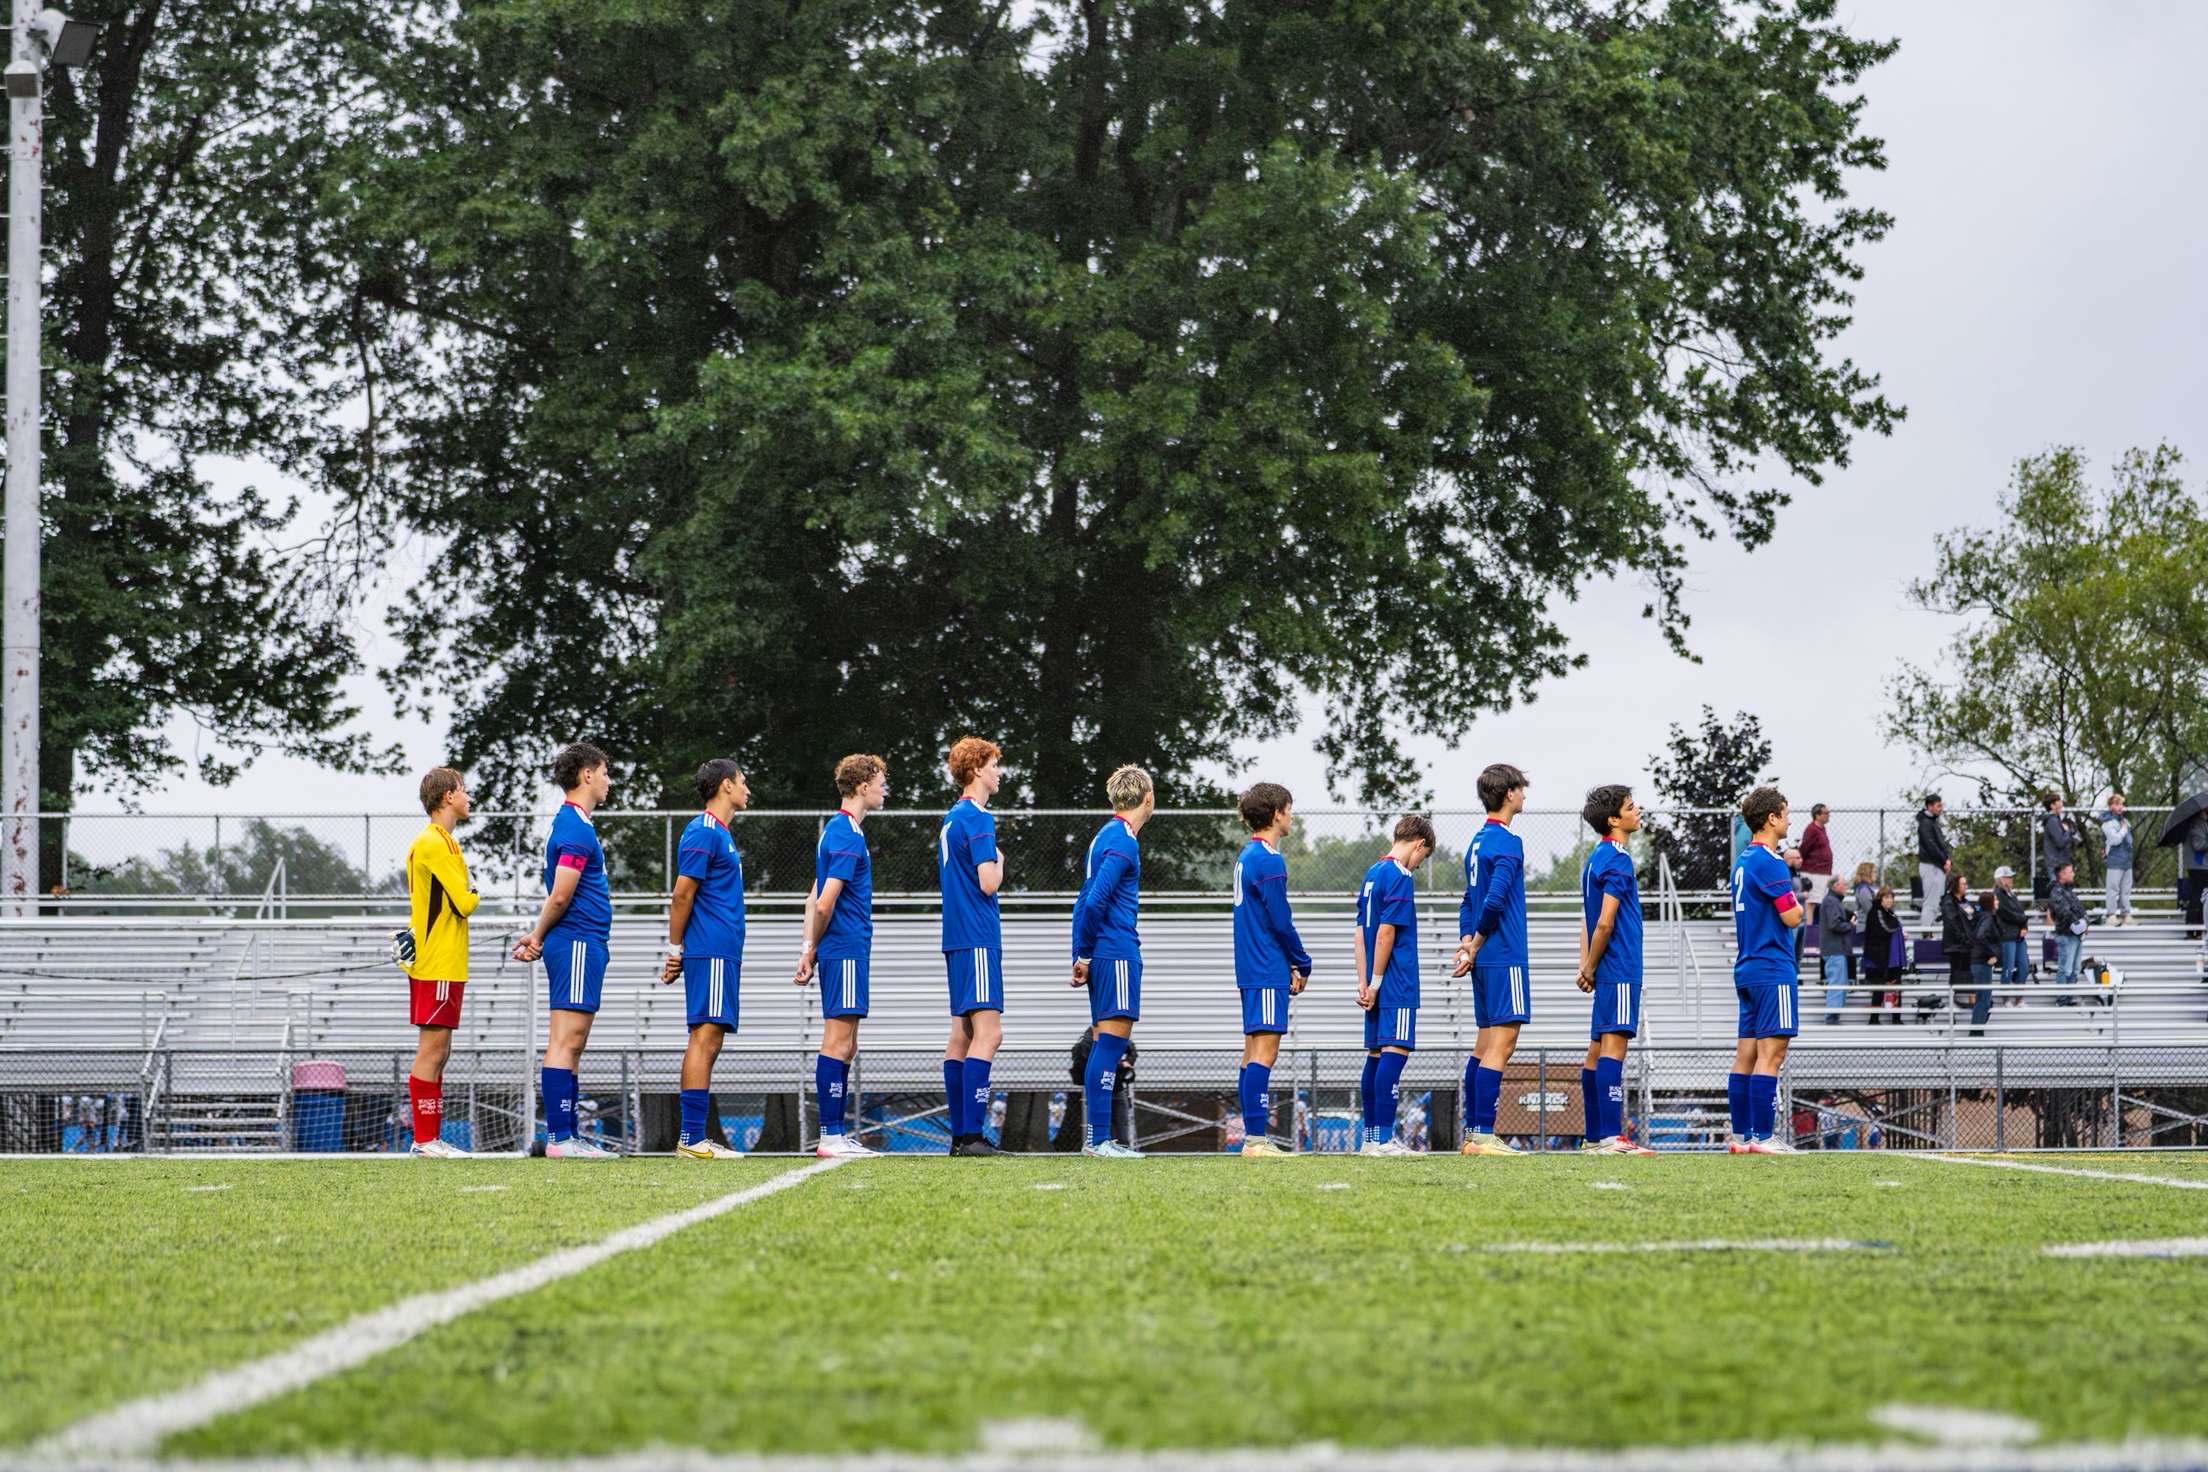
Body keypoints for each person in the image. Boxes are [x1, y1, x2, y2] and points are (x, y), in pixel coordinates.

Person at [513, 742, 617, 1159]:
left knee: (572, 1043)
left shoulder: (576, 824)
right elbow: (560, 896)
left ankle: (566, 1136)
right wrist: (537, 935)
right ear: (587, 774)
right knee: (565, 1041)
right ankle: (560, 1138)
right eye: (605, 772)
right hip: (575, 939)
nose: (609, 781)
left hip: (583, 941)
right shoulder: (574, 827)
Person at [796, 754, 888, 1160]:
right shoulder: (847, 834)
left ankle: (835, 1133)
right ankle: (830, 1135)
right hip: (846, 947)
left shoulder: (836, 829)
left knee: (846, 1043)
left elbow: (812, 895)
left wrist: (808, 948)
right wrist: (813, 947)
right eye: (881, 782)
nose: (885, 789)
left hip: (842, 948)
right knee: (838, 1040)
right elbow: (823, 902)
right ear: (863, 786)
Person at [658, 759, 751, 1159]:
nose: (749, 790)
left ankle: (693, 1139)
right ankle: (692, 1139)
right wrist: (675, 948)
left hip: (722, 951)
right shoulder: (703, 831)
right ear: (726, 786)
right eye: (744, 782)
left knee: (710, 1039)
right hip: (709, 949)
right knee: (705, 1037)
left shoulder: (722, 834)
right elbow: (682, 894)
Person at [1070, 765, 1156, 1161]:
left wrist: (1081, 952)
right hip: (1116, 950)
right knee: (1112, 1044)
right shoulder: (1123, 839)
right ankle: (1100, 1140)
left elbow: (1083, 900)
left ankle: (1096, 1138)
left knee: (1105, 1042)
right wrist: (1086, 952)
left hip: (1100, 951)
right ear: (1147, 797)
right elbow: (1096, 899)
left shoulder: (1103, 836)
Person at [402, 767, 480, 1157]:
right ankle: (425, 1139)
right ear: (447, 797)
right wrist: (476, 889)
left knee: (439, 1050)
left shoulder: (430, 841)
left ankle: (427, 1139)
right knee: (433, 1051)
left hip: (437, 960)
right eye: (463, 790)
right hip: (440, 962)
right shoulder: (439, 843)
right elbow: (464, 902)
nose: (468, 797)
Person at [1454, 763, 1531, 1156]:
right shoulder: (1508, 841)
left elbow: (1468, 901)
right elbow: (1495, 899)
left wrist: (1468, 943)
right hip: (1504, 955)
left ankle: (1473, 1134)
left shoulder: (1477, 842)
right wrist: (1479, 942)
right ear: (1509, 793)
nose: (1524, 794)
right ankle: (1483, 1133)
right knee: (1504, 1041)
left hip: (1484, 958)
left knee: (1483, 1045)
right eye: (1520, 788)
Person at [1232, 781, 1312, 1158]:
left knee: (1251, 1054)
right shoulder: (1268, 859)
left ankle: (1254, 1138)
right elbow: (1281, 922)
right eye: (1290, 809)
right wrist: (1301, 960)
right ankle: (1255, 1140)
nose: (1292, 816)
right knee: (1264, 1053)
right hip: (1266, 967)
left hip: (1253, 967)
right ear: (1277, 813)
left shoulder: (1248, 855)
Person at [1576, 784, 1654, 1154]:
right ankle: (1610, 1137)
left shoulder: (1595, 857)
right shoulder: (1619, 859)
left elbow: (1586, 921)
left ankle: (1594, 1138)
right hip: (1619, 966)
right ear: (1614, 819)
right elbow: (1604, 923)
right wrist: (1590, 966)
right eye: (1630, 806)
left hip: (1605, 967)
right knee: (1613, 1050)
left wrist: (1586, 964)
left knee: (1595, 1052)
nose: (1637, 811)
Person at [939, 736, 1007, 1156]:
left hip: (956, 937)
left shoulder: (951, 817)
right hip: (978, 935)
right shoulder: (979, 817)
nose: (999, 772)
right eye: (996, 764)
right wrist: (1001, 860)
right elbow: (988, 881)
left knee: (960, 1035)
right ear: (978, 769)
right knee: (989, 1033)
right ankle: (971, 1136)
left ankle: (961, 1137)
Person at [1728, 786, 1805, 1153]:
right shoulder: (1770, 861)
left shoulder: (1742, 861)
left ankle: (1742, 1137)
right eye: (1786, 813)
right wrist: (1801, 907)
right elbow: (1791, 916)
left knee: (1745, 1053)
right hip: (1773, 966)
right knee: (1771, 1054)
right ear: (1772, 818)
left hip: (1747, 966)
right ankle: (1762, 1136)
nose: (1789, 819)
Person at [1356, 815, 1434, 1156]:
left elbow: (1360, 932)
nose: (1418, 865)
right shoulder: (1400, 875)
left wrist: (1364, 981)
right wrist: (1375, 983)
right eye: (1423, 857)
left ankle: (1371, 1137)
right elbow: (1387, 932)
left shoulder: (1372, 874)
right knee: (1395, 1054)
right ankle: (1384, 1138)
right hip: (1396, 981)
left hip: (1374, 980)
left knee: (1375, 1056)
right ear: (1418, 844)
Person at [1862, 885, 1904, 1025]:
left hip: (1892, 958)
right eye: (1886, 897)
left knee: (1896, 987)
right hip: (1879, 958)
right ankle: (1874, 1019)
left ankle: (1896, 1019)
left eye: (1891, 897)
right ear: (1880, 899)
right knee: (1878, 989)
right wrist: (1899, 930)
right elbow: (1886, 929)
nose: (1889, 900)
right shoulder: (1875, 913)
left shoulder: (1890, 913)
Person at [2049, 861, 2089, 1005]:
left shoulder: (2069, 891)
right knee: (2065, 968)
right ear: (2062, 874)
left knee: (2075, 969)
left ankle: (2069, 997)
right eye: (2070, 871)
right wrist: (2079, 922)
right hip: (2066, 935)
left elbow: (2080, 909)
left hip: (2076, 935)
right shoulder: (2056, 892)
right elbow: (2064, 912)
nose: (2073, 874)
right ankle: (2062, 999)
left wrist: (2085, 921)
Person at [1817, 874, 1855, 1025]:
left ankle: (1834, 1015)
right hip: (1834, 948)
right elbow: (1834, 924)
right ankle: (1831, 1017)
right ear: (1835, 886)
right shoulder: (1831, 901)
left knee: (1840, 982)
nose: (1846, 887)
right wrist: (1850, 925)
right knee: (1837, 983)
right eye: (1843, 884)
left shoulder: (1832, 901)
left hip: (1836, 948)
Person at [1936, 871, 1972, 1027]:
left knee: (1967, 972)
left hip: (1967, 945)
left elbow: (1972, 917)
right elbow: (1952, 924)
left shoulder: (1965, 901)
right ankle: (1954, 1001)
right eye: (1963, 883)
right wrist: (1964, 938)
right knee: (1956, 971)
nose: (1966, 886)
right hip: (1955, 945)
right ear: (1956, 885)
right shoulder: (1948, 902)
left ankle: (1966, 1000)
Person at [1992, 866, 2030, 1008]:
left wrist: (2024, 926)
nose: (2011, 879)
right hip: (2007, 936)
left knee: (2024, 967)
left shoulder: (2011, 895)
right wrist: (2023, 920)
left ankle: (2019, 997)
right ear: (2001, 879)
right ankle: (2006, 997)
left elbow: (2019, 913)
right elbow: (2009, 914)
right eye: (2008, 877)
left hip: (2018, 936)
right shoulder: (1997, 895)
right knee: (2008, 968)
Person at [2098, 794, 2135, 925]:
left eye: (2121, 804)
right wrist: (2124, 829)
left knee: (2126, 890)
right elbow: (2115, 840)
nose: (2120, 807)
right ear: (2110, 806)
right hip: (2115, 860)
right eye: (2117, 804)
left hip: (2127, 860)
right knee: (2113, 889)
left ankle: (2126, 914)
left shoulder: (2123, 820)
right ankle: (2111, 915)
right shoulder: (2108, 823)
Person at [1916, 794, 1951, 932]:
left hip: (1937, 867)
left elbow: (1941, 844)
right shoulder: (1925, 823)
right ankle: (1926, 933)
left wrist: (1947, 859)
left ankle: (1929, 932)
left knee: (1936, 902)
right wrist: (1944, 860)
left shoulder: (1932, 822)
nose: (1940, 808)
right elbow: (1931, 846)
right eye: (1938, 806)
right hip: (1931, 866)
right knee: (1930, 903)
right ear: (1929, 806)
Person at [1967, 888, 1998, 1035]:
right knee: (1983, 998)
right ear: (1990, 903)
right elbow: (1980, 937)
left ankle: (1977, 1031)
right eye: (1995, 900)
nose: (1998, 902)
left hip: (1976, 961)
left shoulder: (1980, 917)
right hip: (1981, 962)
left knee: (1983, 997)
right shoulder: (1987, 918)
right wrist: (1991, 954)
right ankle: (1976, 1033)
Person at [2037, 793, 2074, 907]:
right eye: (2058, 801)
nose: (2061, 803)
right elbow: (2060, 842)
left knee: (2064, 896)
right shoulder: (2052, 821)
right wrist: (2068, 831)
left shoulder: (2056, 820)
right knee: (2056, 897)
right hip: (2055, 864)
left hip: (2060, 863)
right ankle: (2051, 922)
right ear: (2052, 805)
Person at [1800, 804, 1834, 889]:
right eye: (1826, 813)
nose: (1828, 815)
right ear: (1817, 815)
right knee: (1814, 900)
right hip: (1814, 873)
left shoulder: (1822, 829)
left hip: (1823, 872)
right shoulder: (1812, 829)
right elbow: (1804, 848)